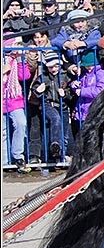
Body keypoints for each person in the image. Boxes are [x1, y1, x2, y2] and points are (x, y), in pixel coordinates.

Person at [29, 50, 75, 160]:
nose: (53, 69)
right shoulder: (43, 77)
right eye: (50, 67)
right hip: (48, 105)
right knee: (55, 118)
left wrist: (65, 94)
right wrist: (39, 91)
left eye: (56, 66)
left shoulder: (65, 76)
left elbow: (70, 93)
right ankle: (55, 144)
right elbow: (35, 89)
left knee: (64, 130)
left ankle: (61, 154)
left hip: (62, 106)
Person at [2, 37, 33, 172]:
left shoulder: (16, 62)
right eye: (15, 45)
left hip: (14, 98)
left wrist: (20, 60)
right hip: (2, 98)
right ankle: (4, 161)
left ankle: (17, 156)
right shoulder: (4, 61)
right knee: (2, 132)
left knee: (21, 123)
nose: (17, 48)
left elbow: (24, 76)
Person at [69, 49, 104, 134]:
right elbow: (79, 87)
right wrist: (73, 85)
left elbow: (101, 90)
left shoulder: (102, 74)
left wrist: (82, 92)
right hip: (81, 113)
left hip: (94, 112)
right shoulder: (85, 75)